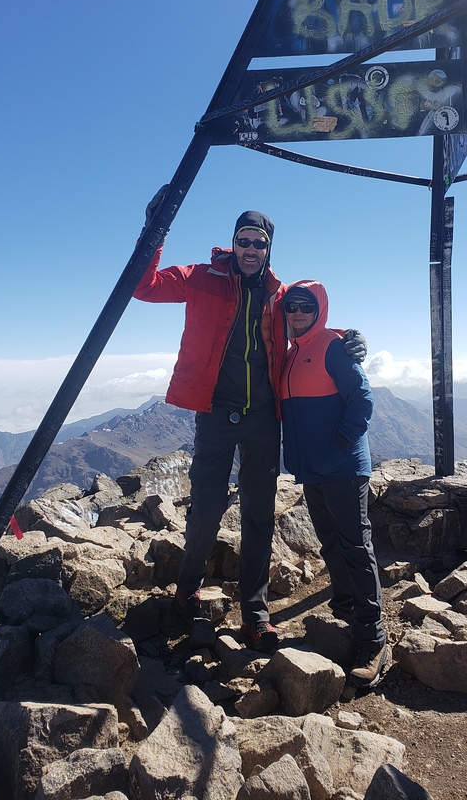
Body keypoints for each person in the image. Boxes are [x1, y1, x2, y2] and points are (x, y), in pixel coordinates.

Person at [133, 191, 366, 652]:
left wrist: (347, 339)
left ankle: (255, 613)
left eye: (258, 242)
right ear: (233, 243)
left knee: (259, 514)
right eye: (244, 240)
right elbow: (144, 286)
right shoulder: (200, 278)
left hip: (263, 419)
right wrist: (153, 230)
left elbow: (308, 326)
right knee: (206, 508)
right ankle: (186, 589)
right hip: (216, 415)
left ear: (268, 248)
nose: (250, 249)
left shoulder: (280, 296)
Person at [279, 279, 388, 687]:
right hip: (313, 469)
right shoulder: (292, 354)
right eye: (291, 305)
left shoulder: (331, 346)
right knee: (330, 540)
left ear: (320, 308)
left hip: (342, 466)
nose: (298, 311)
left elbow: (363, 398)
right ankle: (346, 608)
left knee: (355, 545)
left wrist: (341, 442)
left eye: (306, 305)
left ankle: (373, 637)